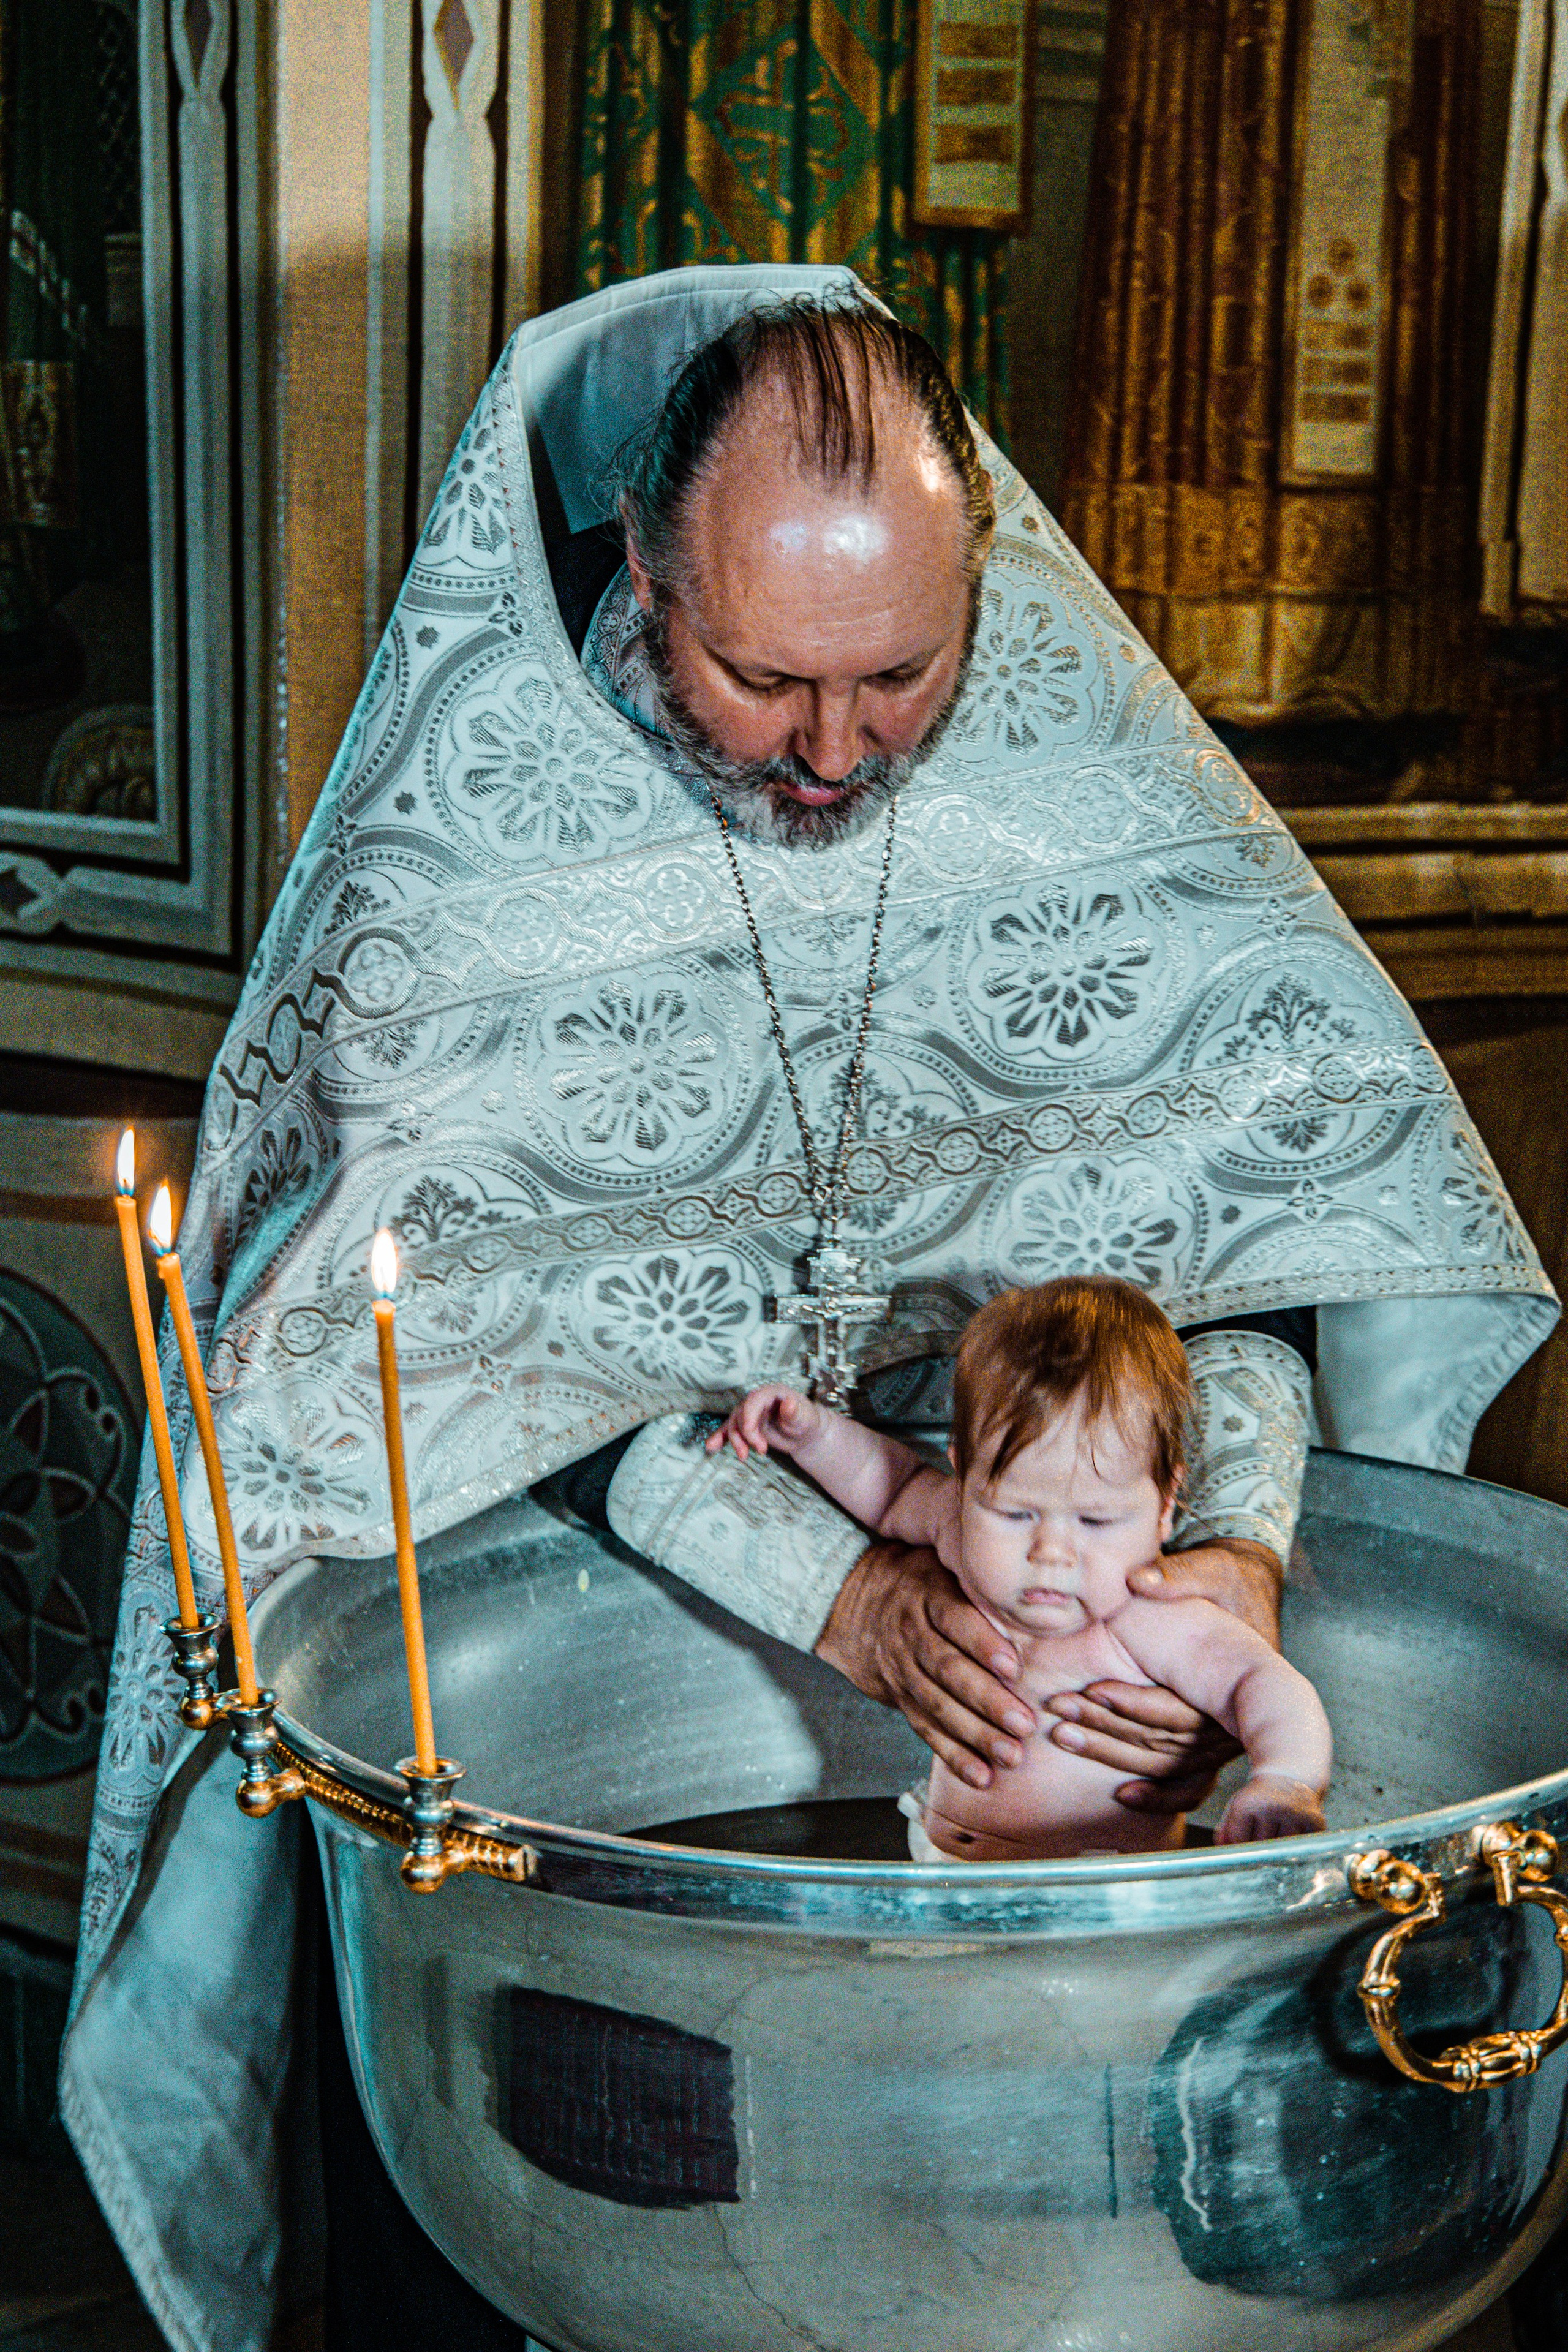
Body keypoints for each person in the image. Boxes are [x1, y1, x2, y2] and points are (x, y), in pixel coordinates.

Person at [62, 265, 1554, 2352]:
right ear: (646, 579)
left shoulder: (1089, 806)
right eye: (760, 675)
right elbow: (431, 1393)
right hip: (596, 1772)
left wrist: (1229, 1539)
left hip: (1066, 1777)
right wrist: (835, 1590)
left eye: (903, 674)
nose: (840, 751)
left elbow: (1271, 1254)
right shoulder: (465, 879)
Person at [706, 1277, 1332, 1860]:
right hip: (939, 1863)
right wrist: (810, 1435)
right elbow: (890, 1488)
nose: (1050, 1552)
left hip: (1102, 1889)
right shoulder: (958, 1530)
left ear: (1165, 1507)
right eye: (1014, 1513)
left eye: (1095, 1522)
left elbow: (1265, 1683)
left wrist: (1283, 1779)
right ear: (964, 1480)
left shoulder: (1152, 1617)